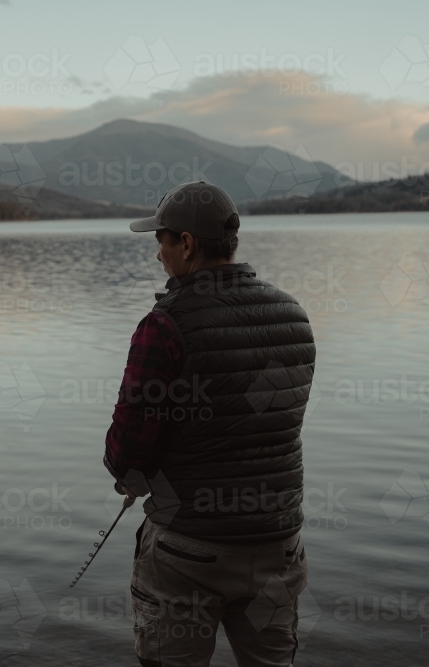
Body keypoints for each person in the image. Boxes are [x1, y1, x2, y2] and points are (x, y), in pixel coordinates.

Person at [103, 181, 316, 667]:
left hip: (188, 555)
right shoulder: (294, 315)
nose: (158, 255)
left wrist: (130, 477)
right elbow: (265, 424)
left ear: (187, 244)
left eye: (161, 241)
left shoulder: (165, 325)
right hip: (278, 545)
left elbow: (129, 454)